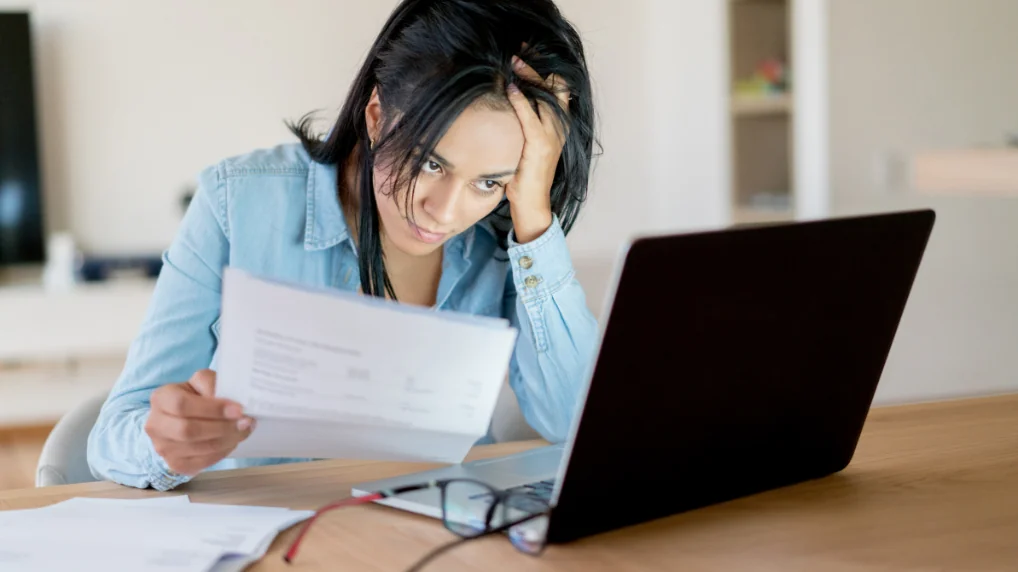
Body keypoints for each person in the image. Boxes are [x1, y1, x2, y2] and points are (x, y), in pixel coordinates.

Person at [87, 0, 600, 491]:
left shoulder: (504, 237)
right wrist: (169, 443)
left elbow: (572, 421)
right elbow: (113, 440)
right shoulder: (237, 203)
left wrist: (534, 215)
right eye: (430, 163)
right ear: (376, 115)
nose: (445, 213)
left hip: (440, 537)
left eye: (489, 182)